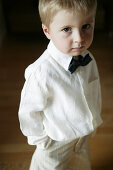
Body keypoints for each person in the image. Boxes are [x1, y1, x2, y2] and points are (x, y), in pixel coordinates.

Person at [18, 0, 103, 169]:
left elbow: (94, 92)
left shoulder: (88, 59)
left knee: (80, 165)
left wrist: (92, 120)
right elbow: (28, 112)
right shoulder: (42, 73)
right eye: (66, 29)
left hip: (81, 134)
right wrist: (42, 140)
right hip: (55, 141)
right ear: (47, 31)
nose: (79, 39)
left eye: (86, 26)